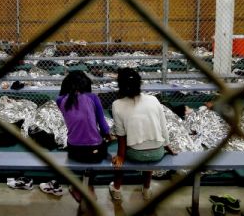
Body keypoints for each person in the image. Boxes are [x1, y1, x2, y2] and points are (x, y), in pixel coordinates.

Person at [39, 70, 110, 200]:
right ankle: (88, 186)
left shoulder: (60, 100)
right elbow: (104, 126)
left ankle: (78, 186)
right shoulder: (93, 98)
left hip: (75, 151)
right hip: (95, 152)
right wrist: (108, 136)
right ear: (86, 85)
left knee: (78, 144)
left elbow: (75, 116)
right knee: (101, 147)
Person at [109, 67, 177, 201]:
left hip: (136, 154)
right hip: (157, 152)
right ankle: (146, 189)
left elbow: (121, 136)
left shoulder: (117, 104)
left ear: (120, 85)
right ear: (139, 84)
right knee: (148, 141)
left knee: (118, 160)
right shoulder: (153, 99)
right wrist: (167, 146)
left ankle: (116, 189)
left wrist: (120, 156)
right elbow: (163, 127)